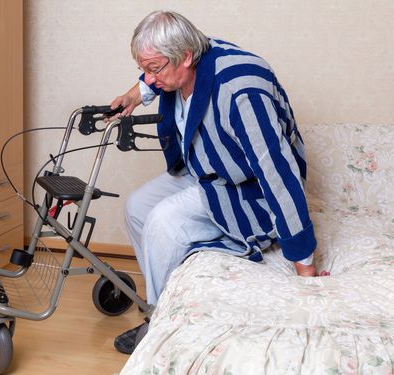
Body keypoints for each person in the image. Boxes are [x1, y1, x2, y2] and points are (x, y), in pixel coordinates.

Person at [110, 10, 329, 355]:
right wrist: (133, 97)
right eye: (146, 68)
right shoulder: (183, 59)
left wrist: (304, 262)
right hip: (206, 170)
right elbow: (152, 77)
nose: (150, 77)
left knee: (163, 223)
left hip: (247, 189)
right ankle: (169, 297)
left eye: (154, 69)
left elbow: (277, 170)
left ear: (184, 57)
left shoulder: (241, 90)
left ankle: (160, 323)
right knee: (137, 208)